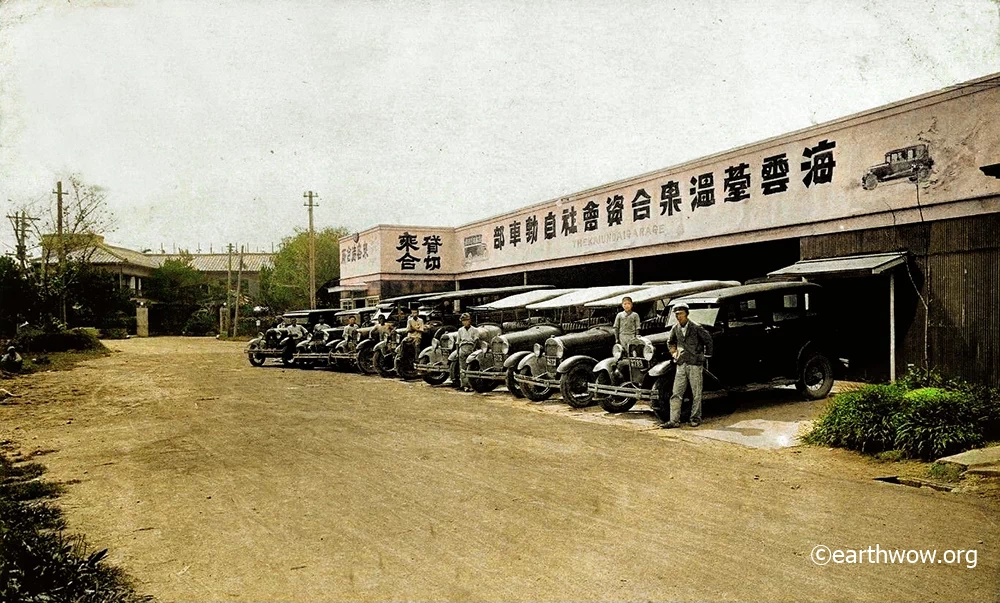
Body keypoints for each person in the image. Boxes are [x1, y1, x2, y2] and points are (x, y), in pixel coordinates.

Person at [663, 303, 713, 429]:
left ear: (686, 314)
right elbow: (670, 341)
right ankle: (674, 420)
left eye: (680, 313)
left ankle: (695, 418)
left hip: (695, 364)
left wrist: (706, 356)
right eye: (676, 314)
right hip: (681, 363)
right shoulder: (675, 328)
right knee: (676, 393)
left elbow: (708, 340)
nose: (678, 316)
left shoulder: (696, 327)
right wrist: (674, 352)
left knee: (696, 393)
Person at [454, 313, 480, 391]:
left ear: (470, 321)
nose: (465, 322)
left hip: (471, 348)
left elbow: (476, 341)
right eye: (463, 321)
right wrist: (458, 353)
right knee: (462, 368)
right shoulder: (460, 330)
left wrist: (473, 350)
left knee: (471, 368)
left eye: (466, 320)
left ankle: (471, 385)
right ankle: (464, 385)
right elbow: (457, 342)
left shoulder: (475, 330)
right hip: (462, 348)